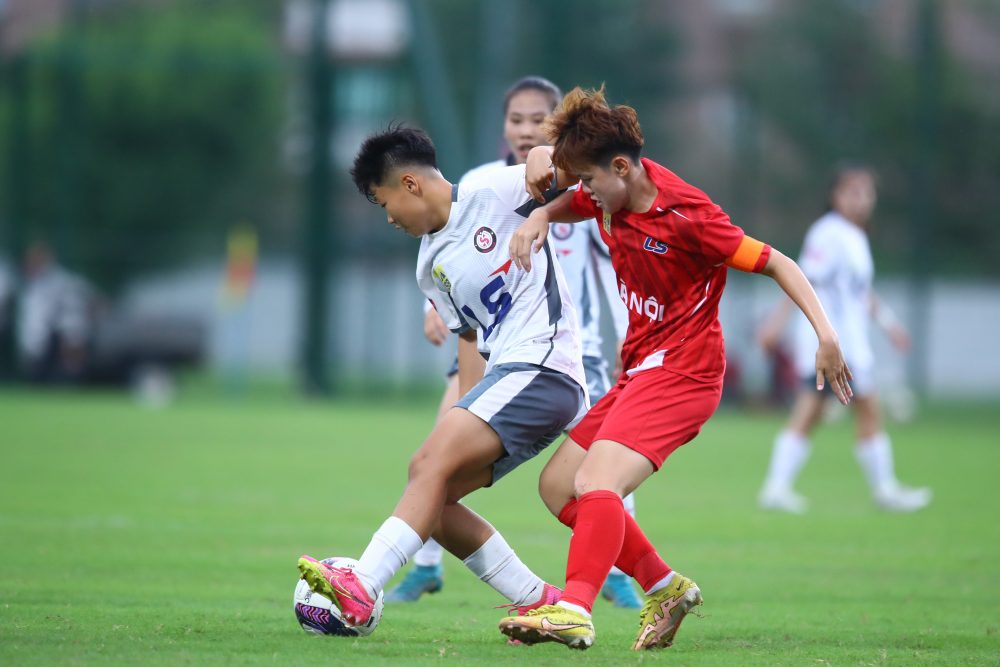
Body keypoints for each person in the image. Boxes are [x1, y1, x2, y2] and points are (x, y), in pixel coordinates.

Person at [496, 86, 853, 651]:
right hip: (642, 369)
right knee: (559, 487)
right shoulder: (611, 191)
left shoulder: (690, 217)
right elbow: (576, 202)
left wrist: (826, 334)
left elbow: (777, 262)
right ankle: (665, 587)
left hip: (685, 373)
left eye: (587, 180)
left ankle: (573, 609)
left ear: (620, 167)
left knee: (595, 483)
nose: (583, 192)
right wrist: (543, 212)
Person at [297, 126, 589, 630]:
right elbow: (470, 338)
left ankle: (363, 584)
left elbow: (576, 168)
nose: (387, 217)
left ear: (410, 184)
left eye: (383, 201)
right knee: (435, 500)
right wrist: (462, 409)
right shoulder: (429, 265)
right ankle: (537, 598)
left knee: (425, 465)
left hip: (545, 367)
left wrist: (546, 154)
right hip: (511, 379)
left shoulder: (495, 190)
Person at [388, 76, 641, 609]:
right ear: (503, 126)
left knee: (599, 469)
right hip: (496, 346)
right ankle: (426, 565)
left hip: (572, 348)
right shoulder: (486, 181)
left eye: (537, 120)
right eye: (516, 119)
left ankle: (617, 570)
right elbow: (447, 254)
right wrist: (431, 310)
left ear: (555, 125)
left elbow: (617, 262)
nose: (525, 129)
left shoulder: (581, 185)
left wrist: (628, 334)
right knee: (440, 451)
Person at [756, 165, 931, 514]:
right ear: (835, 197)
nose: (862, 200)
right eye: (853, 192)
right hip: (831, 342)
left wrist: (889, 325)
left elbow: (860, 293)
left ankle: (777, 487)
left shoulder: (856, 237)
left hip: (850, 340)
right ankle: (884, 488)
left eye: (867, 192)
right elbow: (799, 280)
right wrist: (775, 325)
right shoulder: (827, 233)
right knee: (861, 409)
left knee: (816, 411)